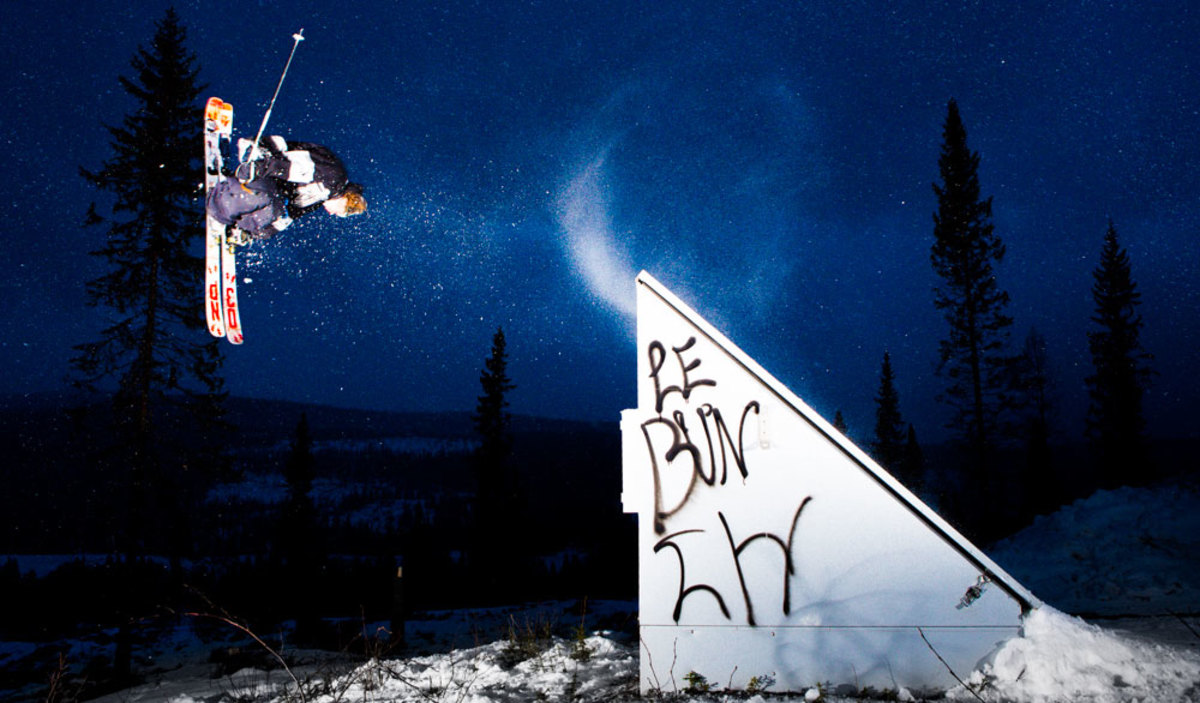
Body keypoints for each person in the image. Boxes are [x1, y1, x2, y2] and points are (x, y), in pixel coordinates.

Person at [206, 135, 366, 242]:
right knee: (263, 198)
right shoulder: (333, 178)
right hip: (268, 157)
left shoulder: (320, 198)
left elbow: (286, 217)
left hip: (272, 179)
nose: (332, 214)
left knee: (276, 208)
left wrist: (255, 235)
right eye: (340, 212)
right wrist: (257, 168)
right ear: (346, 199)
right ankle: (220, 202)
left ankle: (236, 224)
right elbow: (291, 167)